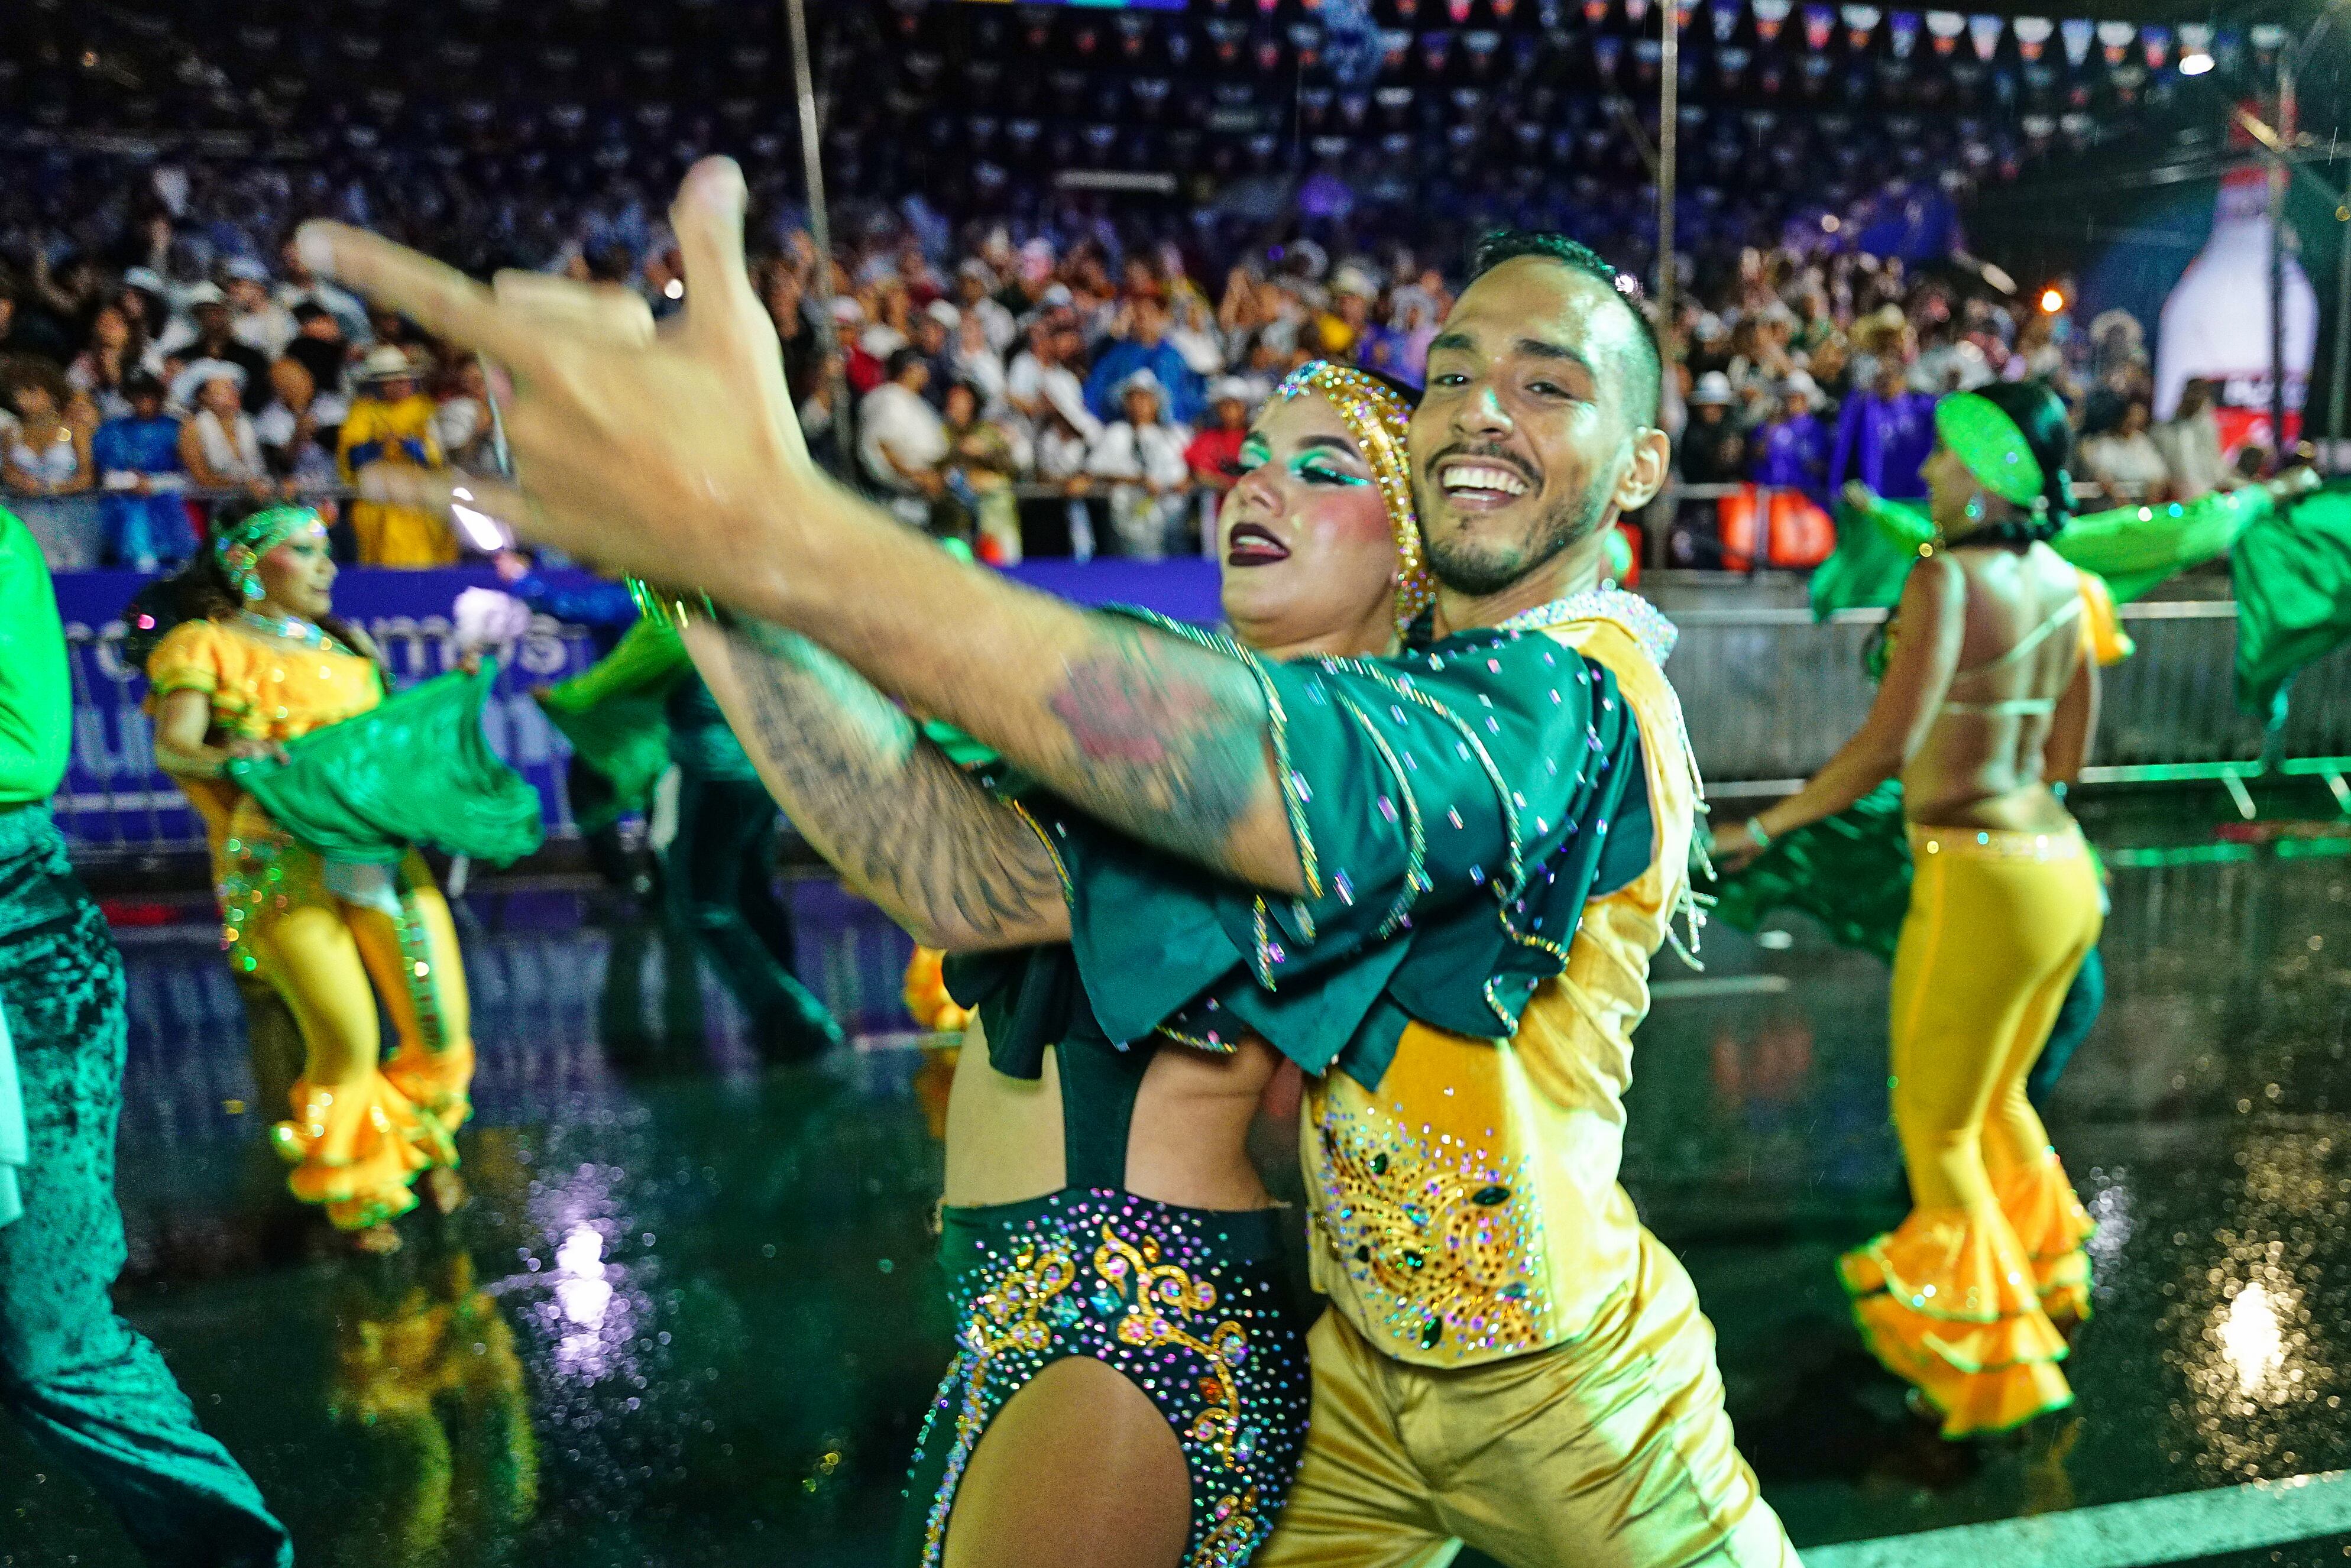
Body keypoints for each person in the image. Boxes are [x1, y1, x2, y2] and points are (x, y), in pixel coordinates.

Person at [306, 182, 1798, 1562]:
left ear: (1641, 467)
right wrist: (697, 563)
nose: (1477, 409)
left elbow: (1244, 765)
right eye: (1455, 372)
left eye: (1549, 381)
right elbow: (962, 873)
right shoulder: (1351, 708)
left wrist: (768, 529)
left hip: (1527, 1384)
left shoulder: (1566, 698)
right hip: (1344, 1371)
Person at [1711, 381, 2101, 1440]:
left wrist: (1768, 827)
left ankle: (1989, 1370)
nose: (1926, 473)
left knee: (1936, 1122)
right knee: (1998, 1100)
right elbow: (2068, 758)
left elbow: (1887, 743)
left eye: (1943, 459)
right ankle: (2046, 1281)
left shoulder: (1946, 582)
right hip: (2063, 873)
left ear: (1989, 471)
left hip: (1976, 874)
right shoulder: (2069, 582)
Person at [0, 503, 296, 1568]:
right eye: (297, 551)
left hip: (19, 940)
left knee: (48, 1338)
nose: (320, 570)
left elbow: (27, 749)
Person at [147, 503, 480, 1249]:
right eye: (303, 551)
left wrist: (445, 709)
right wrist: (237, 758)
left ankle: (418, 1149)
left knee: (439, 1027)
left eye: (326, 551)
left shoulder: (351, 649)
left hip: (376, 854)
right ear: (246, 566)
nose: (327, 566)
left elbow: (381, 752)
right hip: (281, 859)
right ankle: (359, 1191)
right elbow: (177, 747)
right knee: (347, 1039)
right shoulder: (207, 645)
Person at [339, 346, 455, 565]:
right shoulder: (362, 412)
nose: (403, 385)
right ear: (379, 384)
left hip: (420, 507)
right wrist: (380, 444)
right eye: (393, 381)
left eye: (404, 379)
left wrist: (408, 444)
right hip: (377, 508)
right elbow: (353, 459)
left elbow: (437, 457)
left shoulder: (425, 409)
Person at [1086, 368, 1193, 559]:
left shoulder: (1176, 435)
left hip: (1172, 524)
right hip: (1127, 524)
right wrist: (1138, 481)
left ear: (1156, 402)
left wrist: (1186, 481)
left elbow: (1192, 470)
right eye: (1132, 399)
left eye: (1144, 398)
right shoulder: (1115, 433)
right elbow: (1094, 471)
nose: (1138, 404)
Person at [92, 374, 195, 569]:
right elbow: (102, 474)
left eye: (150, 396)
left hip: (171, 503)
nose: (145, 402)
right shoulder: (113, 430)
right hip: (123, 504)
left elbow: (191, 473)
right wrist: (129, 482)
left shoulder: (177, 428)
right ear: (129, 397)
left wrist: (154, 484)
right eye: (138, 396)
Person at [5, 370, 100, 569]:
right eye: (20, 394)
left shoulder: (75, 431)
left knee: (77, 566)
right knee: (37, 564)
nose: (24, 400)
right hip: (27, 510)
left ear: (51, 395)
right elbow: (8, 472)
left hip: (73, 511)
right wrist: (23, 484)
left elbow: (87, 476)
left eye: (32, 393)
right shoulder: (11, 433)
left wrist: (52, 488)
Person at [1829, 332, 1936, 501]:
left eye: (1890, 375)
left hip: (1916, 503)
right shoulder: (1866, 408)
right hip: (1878, 504)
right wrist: (1835, 491)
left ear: (1903, 377)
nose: (1884, 380)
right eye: (1881, 375)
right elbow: (1843, 450)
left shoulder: (1922, 407)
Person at [859, 346, 950, 527]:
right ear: (908, 369)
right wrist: (918, 477)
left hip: (920, 500)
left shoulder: (918, 403)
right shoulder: (890, 399)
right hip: (890, 500)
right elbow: (880, 447)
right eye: (921, 367)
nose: (926, 372)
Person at [178, 369, 271, 498]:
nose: (233, 391)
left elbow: (262, 469)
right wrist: (245, 486)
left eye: (233, 386)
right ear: (204, 396)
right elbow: (201, 478)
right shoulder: (192, 428)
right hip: (211, 502)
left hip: (258, 495)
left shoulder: (247, 423)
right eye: (224, 387)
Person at [1750, 370, 1832, 506]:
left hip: (1809, 501)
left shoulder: (1818, 429)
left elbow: (1828, 466)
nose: (1792, 402)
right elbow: (1756, 455)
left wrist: (1815, 467)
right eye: (1789, 397)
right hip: (1775, 501)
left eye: (1797, 397)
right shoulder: (1769, 426)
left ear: (1807, 399)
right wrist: (1769, 432)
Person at [2151, 378, 2229, 502]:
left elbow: (2214, 461)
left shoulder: (2209, 426)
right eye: (2193, 393)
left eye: (2200, 394)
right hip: (2177, 498)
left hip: (2208, 495)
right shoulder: (2163, 431)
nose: (2195, 398)